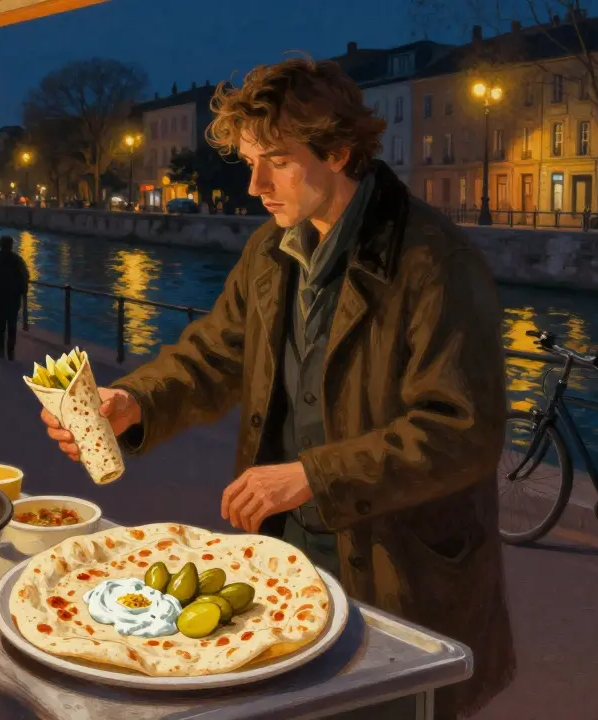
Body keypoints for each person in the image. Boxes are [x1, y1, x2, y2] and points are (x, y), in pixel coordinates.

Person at [39, 59, 514, 719]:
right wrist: (134, 402)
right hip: (285, 559)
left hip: (398, 571)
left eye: (279, 162)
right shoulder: (271, 249)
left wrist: (311, 476)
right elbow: (215, 354)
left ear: (339, 152)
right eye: (248, 161)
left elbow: (462, 432)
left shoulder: (435, 264)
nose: (256, 184)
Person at [0, 235, 29, 361]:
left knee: (0, 324)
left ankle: (0, 348)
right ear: (11, 245)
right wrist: (23, 291)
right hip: (13, 297)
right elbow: (24, 276)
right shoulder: (17, 260)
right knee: (12, 324)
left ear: (0, 245)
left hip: (0, 297)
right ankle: (11, 350)